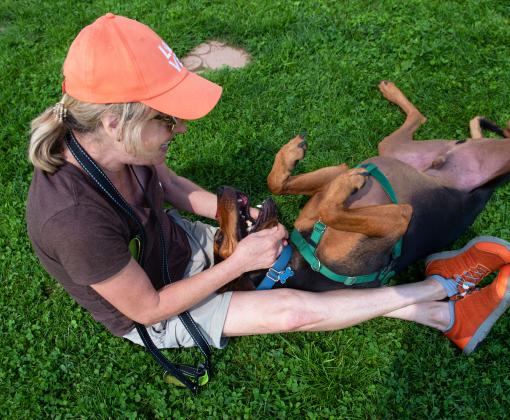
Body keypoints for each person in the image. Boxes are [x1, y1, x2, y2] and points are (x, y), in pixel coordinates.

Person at [26, 13, 510, 363]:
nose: (181, 129)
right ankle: (443, 294)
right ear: (114, 122)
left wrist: (240, 216)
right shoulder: (73, 221)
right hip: (152, 301)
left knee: (296, 268)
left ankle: (435, 316)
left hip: (174, 246)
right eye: (166, 119)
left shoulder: (122, 148)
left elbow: (171, 186)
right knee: (291, 310)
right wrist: (240, 261)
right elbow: (148, 306)